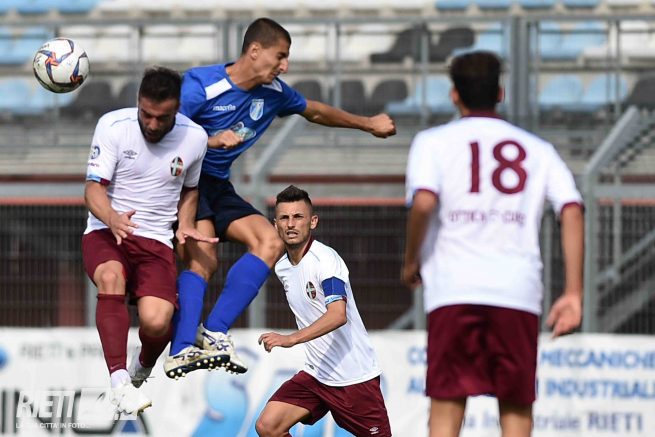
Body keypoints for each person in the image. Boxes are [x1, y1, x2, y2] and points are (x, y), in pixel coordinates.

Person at [166, 17, 397, 377]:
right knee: (203, 261)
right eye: (280, 56)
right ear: (254, 50)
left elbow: (315, 110)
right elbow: (165, 132)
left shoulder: (274, 93)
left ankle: (213, 332)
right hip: (184, 184)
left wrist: (367, 124)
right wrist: (209, 140)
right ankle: (179, 349)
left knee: (270, 241)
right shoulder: (201, 85)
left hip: (217, 184)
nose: (285, 66)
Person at [402, 51, 584, 437]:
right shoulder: (537, 149)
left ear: (454, 94)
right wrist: (573, 292)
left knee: (447, 404)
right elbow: (571, 208)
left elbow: (424, 202)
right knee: (516, 407)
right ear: (500, 92)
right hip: (516, 289)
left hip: (453, 287)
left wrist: (410, 260)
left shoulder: (432, 142)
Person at [82, 66, 218, 415]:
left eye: (163, 117)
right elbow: (93, 189)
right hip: (107, 232)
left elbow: (190, 189)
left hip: (156, 241)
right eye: (146, 114)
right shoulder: (113, 126)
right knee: (110, 277)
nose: (153, 124)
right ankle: (119, 382)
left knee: (157, 323)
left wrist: (184, 223)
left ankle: (142, 366)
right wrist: (112, 217)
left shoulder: (195, 138)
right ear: (138, 102)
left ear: (177, 109)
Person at [254, 185, 392, 437]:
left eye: (298, 216)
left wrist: (291, 339)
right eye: (284, 218)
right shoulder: (283, 267)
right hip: (316, 375)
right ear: (275, 225)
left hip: (354, 378)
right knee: (268, 426)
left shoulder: (326, 260)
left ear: (313, 221)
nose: (291, 224)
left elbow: (338, 314)